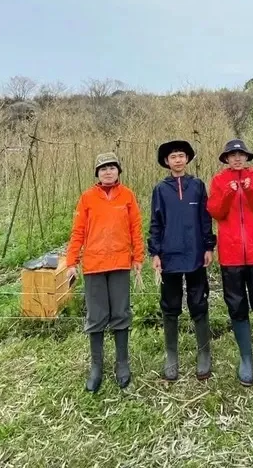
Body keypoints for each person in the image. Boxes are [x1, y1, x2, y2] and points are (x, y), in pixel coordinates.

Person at [65, 152, 144, 392]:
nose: (107, 171)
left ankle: (122, 364)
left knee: (120, 312)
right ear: (97, 174)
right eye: (102, 168)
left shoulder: (127, 196)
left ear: (118, 171)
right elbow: (78, 231)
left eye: (112, 167)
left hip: (120, 263)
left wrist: (138, 256)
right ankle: (96, 366)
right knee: (96, 315)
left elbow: (135, 227)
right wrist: (72, 261)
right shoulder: (87, 198)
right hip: (94, 265)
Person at [206, 138, 253, 386]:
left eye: (241, 154)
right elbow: (216, 212)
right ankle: (246, 358)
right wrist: (228, 192)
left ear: (246, 157)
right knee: (237, 306)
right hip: (231, 255)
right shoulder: (218, 181)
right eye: (232, 155)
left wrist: (249, 190)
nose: (237, 158)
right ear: (226, 159)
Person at [148, 139, 216, 382]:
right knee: (170, 305)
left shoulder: (197, 186)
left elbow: (205, 219)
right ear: (166, 162)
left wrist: (208, 246)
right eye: (173, 156)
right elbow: (155, 222)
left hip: (196, 254)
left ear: (187, 159)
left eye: (181, 155)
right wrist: (155, 252)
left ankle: (204, 353)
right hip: (169, 256)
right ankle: (171, 356)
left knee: (198, 302)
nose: (177, 160)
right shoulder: (160, 189)